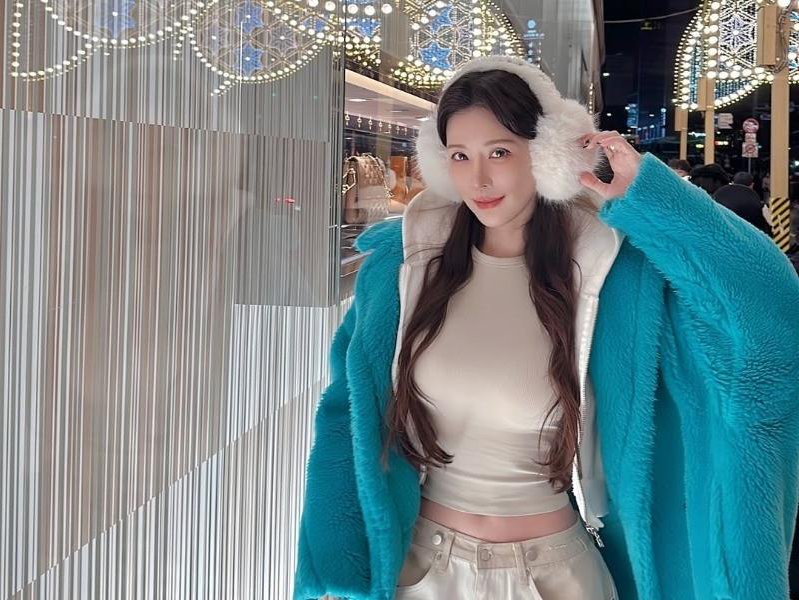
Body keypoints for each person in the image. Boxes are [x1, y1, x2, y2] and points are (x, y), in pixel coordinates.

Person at [294, 56, 799, 600]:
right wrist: (336, 564)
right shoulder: (405, 269)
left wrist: (654, 201)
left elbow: (767, 308)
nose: (478, 178)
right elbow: (347, 414)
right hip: (419, 573)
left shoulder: (610, 276)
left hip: (554, 577)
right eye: (460, 155)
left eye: (500, 152)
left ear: (545, 152)